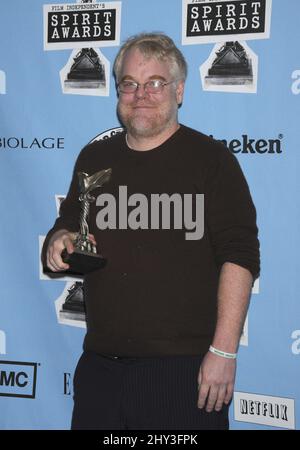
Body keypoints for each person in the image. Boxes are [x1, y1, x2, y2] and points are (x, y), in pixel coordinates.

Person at [42, 32, 260, 430]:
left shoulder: (212, 161)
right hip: (100, 370)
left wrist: (224, 352)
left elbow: (240, 255)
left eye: (155, 83)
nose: (141, 94)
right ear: (118, 91)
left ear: (178, 91)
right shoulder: (94, 157)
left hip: (186, 373)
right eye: (129, 83)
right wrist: (59, 241)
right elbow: (68, 224)